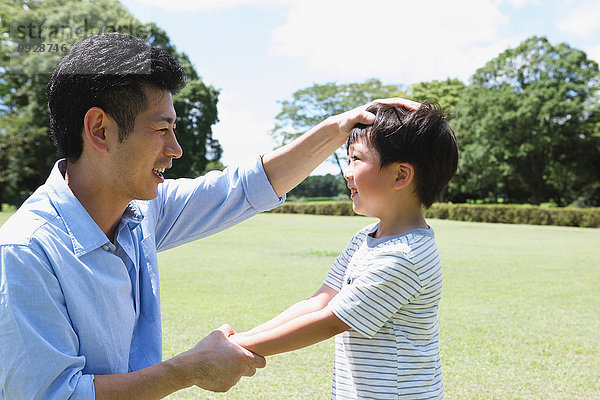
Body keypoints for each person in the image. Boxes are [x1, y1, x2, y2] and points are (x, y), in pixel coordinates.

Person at [0, 32, 417, 399]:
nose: (176, 149)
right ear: (100, 131)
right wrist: (185, 370)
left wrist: (339, 128)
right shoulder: (26, 251)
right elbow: (53, 395)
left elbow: (244, 188)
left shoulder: (142, 213)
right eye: (162, 129)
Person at [230, 102, 459, 399]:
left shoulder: (404, 256)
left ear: (401, 175)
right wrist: (243, 339)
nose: (347, 173)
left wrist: (241, 348)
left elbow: (328, 322)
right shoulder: (366, 237)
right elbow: (320, 302)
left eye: (357, 160)